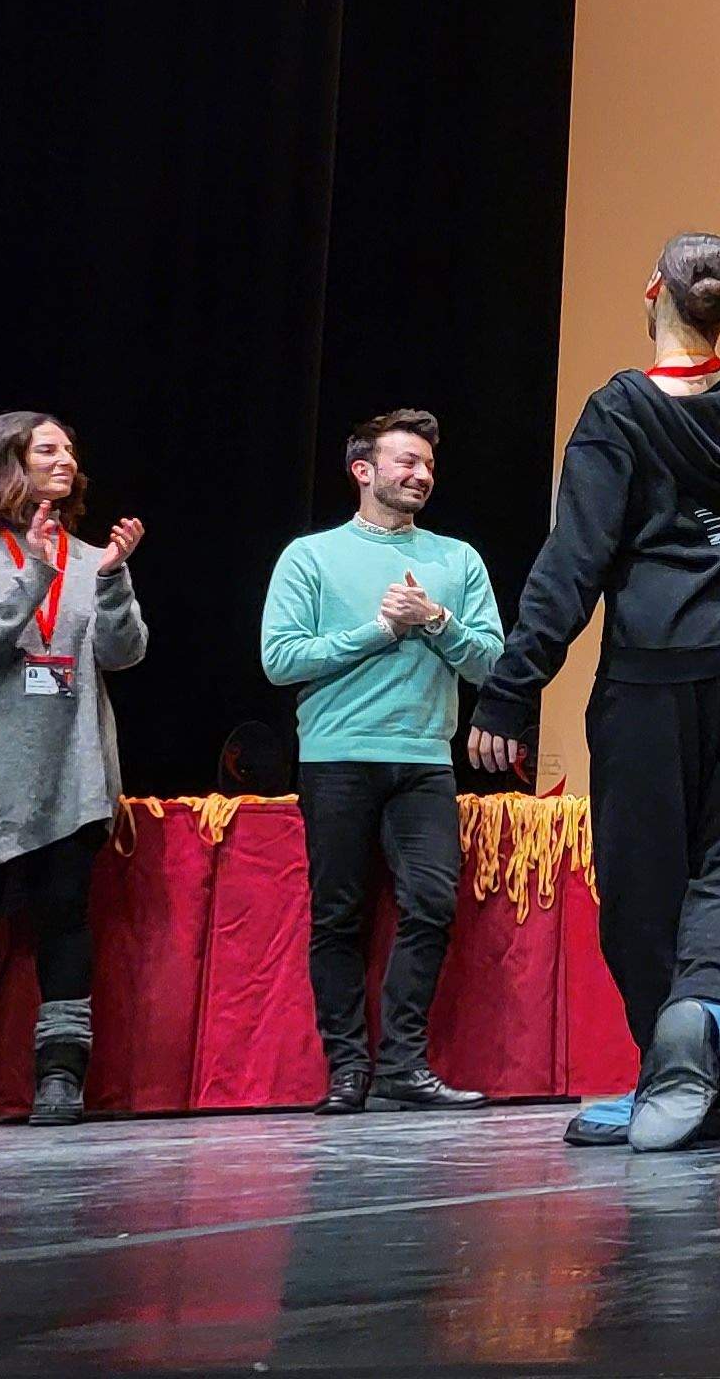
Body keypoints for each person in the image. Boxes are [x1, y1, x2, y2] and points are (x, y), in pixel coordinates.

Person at [466, 113, 720, 1153]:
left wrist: (510, 688)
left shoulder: (619, 412)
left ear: (652, 296)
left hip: (653, 676)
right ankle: (695, 1055)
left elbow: (572, 562)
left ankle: (666, 1056)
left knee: (640, 883)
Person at [259, 408, 503, 1116]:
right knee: (339, 916)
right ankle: (345, 1069)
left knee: (431, 902)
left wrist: (435, 621)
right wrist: (378, 630)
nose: (420, 474)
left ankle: (401, 1065)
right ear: (363, 471)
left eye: (427, 463)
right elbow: (280, 661)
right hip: (337, 757)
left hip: (424, 759)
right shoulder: (310, 557)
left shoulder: (456, 561)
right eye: (405, 461)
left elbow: (493, 663)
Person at [0, 412, 149, 1129]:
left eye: (70, 450)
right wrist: (37, 577)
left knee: (64, 920)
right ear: (3, 464)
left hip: (70, 764)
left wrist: (110, 582)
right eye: (47, 449)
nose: (67, 461)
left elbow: (124, 653)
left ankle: (59, 1075)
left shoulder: (89, 556)